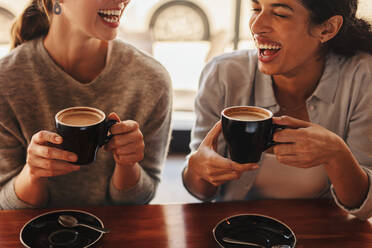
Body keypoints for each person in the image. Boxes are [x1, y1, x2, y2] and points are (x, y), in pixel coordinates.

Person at [183, 0, 372, 220]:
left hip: (321, 233)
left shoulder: (363, 77)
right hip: (235, 231)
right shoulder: (223, 74)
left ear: (327, 28)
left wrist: (338, 155)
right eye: (256, 9)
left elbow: (363, 207)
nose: (256, 25)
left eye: (280, 14)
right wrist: (198, 169)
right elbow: (200, 192)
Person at [0, 0, 172, 209]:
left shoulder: (152, 80)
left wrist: (128, 164)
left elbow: (141, 199)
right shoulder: (6, 82)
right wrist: (33, 173)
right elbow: (6, 206)